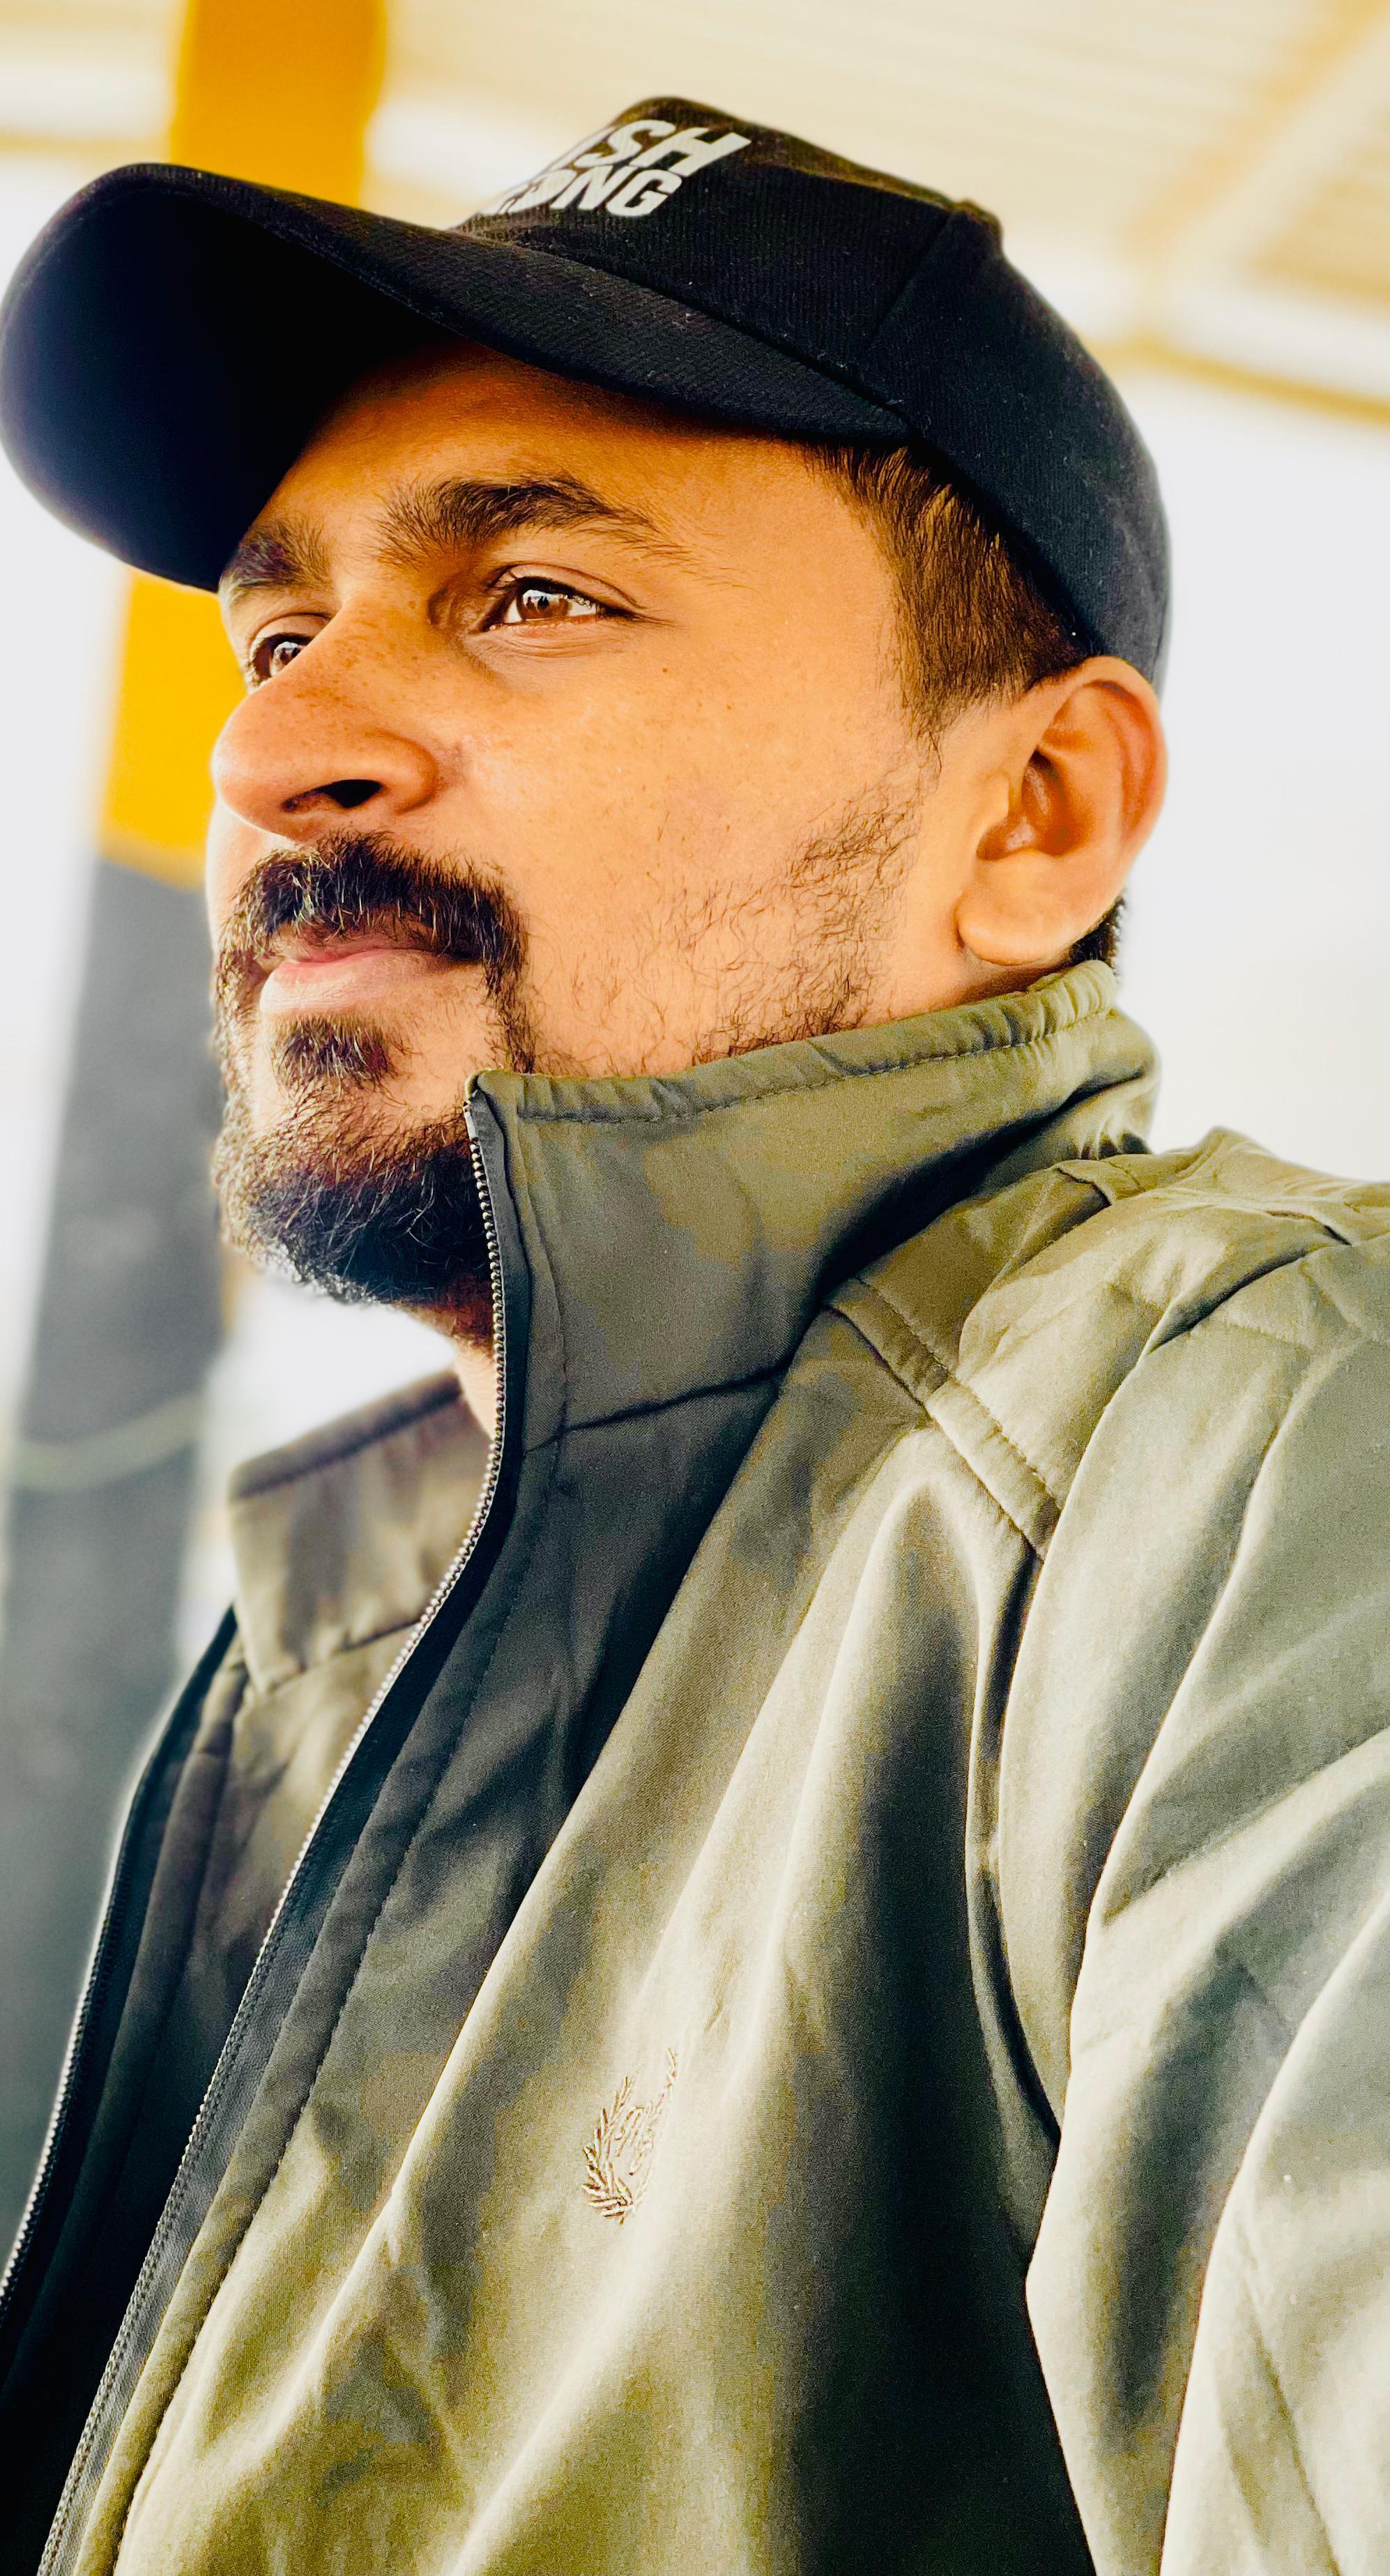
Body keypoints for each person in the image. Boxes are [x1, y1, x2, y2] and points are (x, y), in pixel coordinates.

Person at [0, 94, 1387, 2576]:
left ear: (1035, 815)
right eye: (280, 633)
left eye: (532, 595)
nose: (274, 749)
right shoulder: (361, 1627)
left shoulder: (1267, 1442)